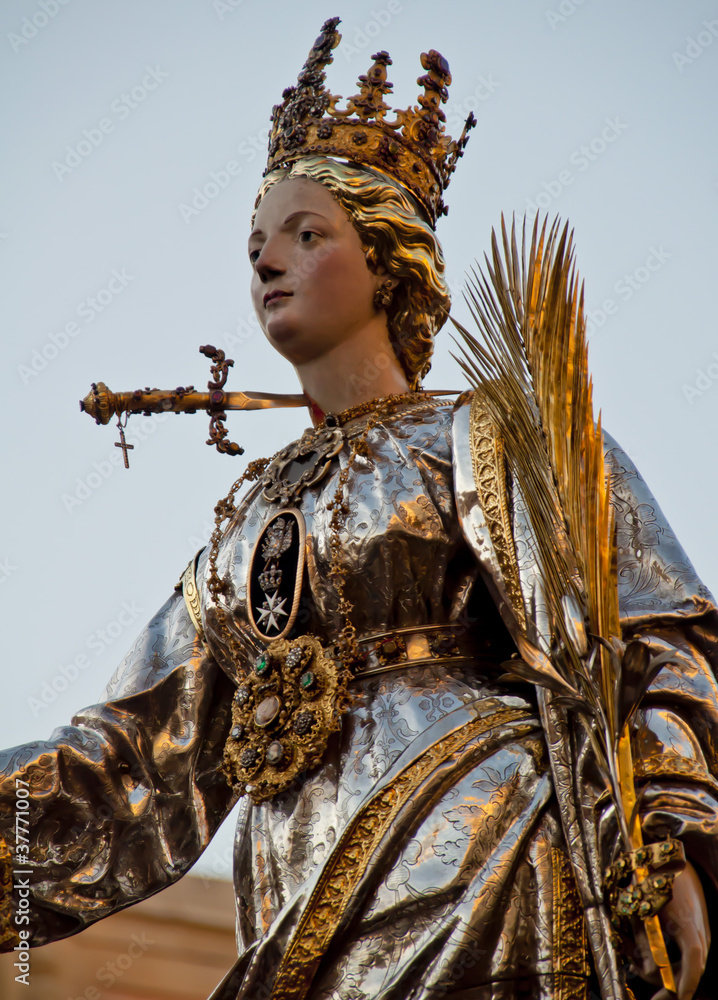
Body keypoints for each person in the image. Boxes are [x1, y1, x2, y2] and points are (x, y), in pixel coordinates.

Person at [1, 18, 716, 1000]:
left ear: (388, 261)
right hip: (297, 895)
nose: (265, 263)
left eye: (306, 233)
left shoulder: (488, 433)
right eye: (255, 244)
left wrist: (670, 821)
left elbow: (647, 631)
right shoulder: (240, 528)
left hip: (489, 859)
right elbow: (131, 765)